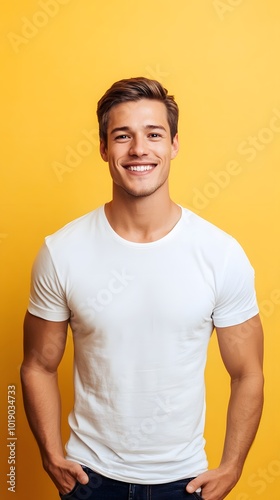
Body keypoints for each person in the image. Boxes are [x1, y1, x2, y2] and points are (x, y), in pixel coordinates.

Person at [21, 77, 264, 500]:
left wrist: (232, 466)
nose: (138, 149)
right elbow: (38, 365)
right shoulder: (61, 252)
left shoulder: (220, 254)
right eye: (122, 136)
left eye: (153, 134)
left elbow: (248, 372)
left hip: (185, 483)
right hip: (89, 479)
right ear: (103, 148)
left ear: (173, 145)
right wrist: (49, 454)